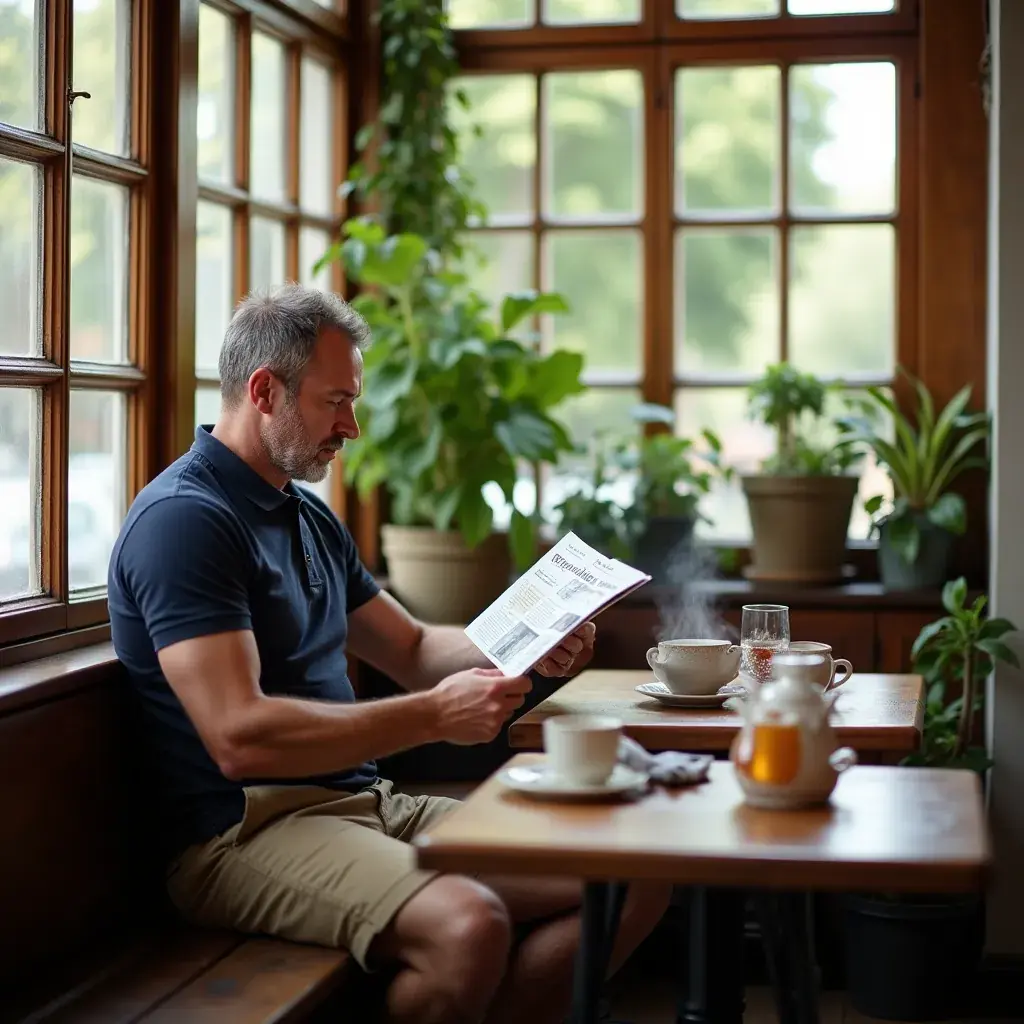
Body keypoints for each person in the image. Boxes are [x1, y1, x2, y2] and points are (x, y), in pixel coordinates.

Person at [107, 284, 671, 1024]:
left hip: (362, 804)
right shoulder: (186, 522)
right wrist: (435, 716)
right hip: (241, 833)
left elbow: (412, 648)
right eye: (335, 402)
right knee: (469, 926)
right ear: (264, 391)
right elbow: (239, 738)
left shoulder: (304, 514)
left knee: (633, 872)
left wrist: (533, 644)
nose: (353, 426)